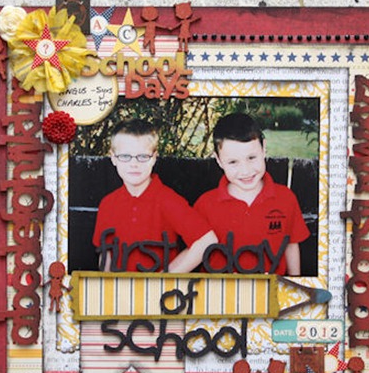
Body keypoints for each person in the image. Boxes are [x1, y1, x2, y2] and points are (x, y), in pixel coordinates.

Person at [92, 119, 217, 273]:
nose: (134, 164)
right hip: (120, 286)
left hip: (158, 287)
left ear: (154, 158)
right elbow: (106, 256)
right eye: (125, 156)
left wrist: (166, 278)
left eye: (143, 156)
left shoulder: (167, 200)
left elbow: (207, 240)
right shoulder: (108, 204)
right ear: (113, 158)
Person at [194, 112, 310, 276]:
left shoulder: (286, 198)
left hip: (271, 288)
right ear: (218, 160)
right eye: (233, 162)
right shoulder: (205, 204)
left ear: (263, 149)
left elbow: (291, 244)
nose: (245, 170)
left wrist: (294, 282)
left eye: (251, 157)